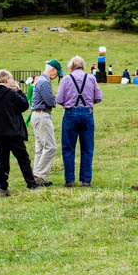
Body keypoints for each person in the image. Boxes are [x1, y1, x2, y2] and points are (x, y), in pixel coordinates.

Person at [0, 70, 38, 196]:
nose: (12, 81)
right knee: (23, 158)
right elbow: (24, 105)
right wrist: (19, 90)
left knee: (2, 160)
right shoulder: (10, 93)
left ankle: (3, 187)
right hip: (13, 132)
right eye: (11, 79)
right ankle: (31, 183)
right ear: (6, 80)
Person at [56, 55, 103, 187]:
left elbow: (59, 99)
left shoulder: (66, 79)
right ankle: (86, 180)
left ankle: (70, 180)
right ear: (83, 66)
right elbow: (99, 97)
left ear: (71, 67)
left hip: (71, 113)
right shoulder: (91, 78)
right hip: (87, 114)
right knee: (87, 148)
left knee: (68, 148)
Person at [31, 59, 61, 186]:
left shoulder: (41, 80)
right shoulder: (44, 82)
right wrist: (55, 99)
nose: (56, 76)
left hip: (36, 115)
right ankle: (40, 175)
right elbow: (50, 102)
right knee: (50, 147)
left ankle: (35, 174)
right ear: (52, 70)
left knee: (40, 147)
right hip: (42, 115)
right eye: (57, 73)